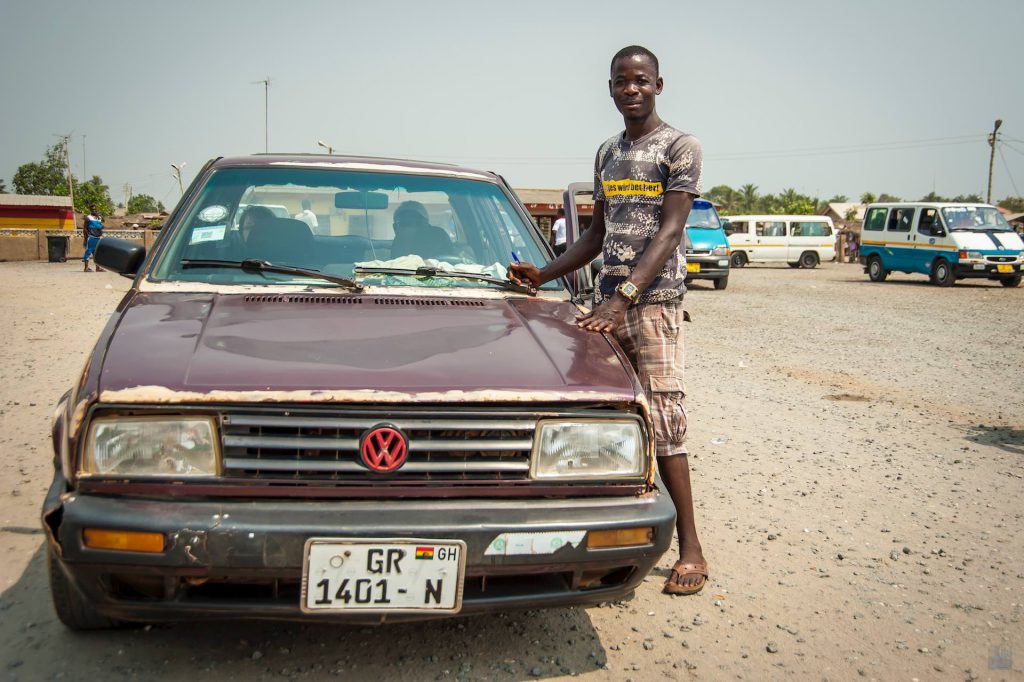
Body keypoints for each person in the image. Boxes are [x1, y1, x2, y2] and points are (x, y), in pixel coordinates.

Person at [508, 45, 707, 596]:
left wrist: (624, 297)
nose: (632, 89)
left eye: (641, 81)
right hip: (605, 305)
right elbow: (596, 236)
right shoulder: (607, 153)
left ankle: (691, 547)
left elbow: (669, 232)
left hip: (653, 303)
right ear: (611, 88)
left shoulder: (680, 147)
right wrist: (542, 276)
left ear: (659, 85)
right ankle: (594, 533)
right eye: (622, 81)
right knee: (595, 414)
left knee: (665, 420)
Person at [82, 204, 104, 272]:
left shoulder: (99, 218)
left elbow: (101, 227)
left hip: (98, 237)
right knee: (88, 252)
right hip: (91, 237)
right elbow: (85, 228)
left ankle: (98, 267)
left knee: (96, 253)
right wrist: (86, 238)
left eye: (95, 209)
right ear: (90, 210)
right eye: (92, 209)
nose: (94, 210)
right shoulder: (88, 218)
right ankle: (86, 268)